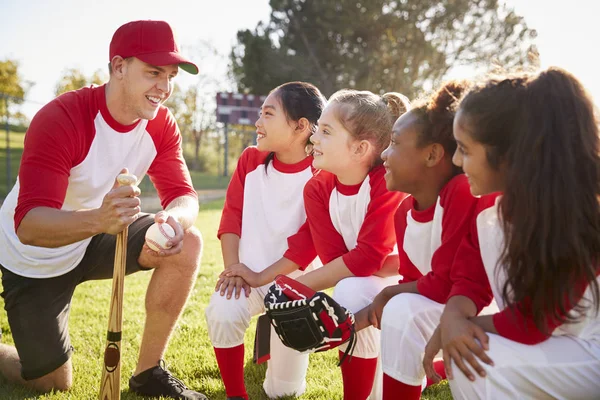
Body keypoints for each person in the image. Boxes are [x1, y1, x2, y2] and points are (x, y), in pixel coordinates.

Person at [0, 20, 207, 399]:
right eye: (153, 72)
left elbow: (184, 195)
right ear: (118, 67)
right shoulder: (61, 119)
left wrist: (173, 221)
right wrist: (100, 219)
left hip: (99, 234)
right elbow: (28, 224)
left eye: (171, 75)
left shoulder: (161, 124)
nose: (165, 86)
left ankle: (148, 374)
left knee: (188, 243)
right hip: (34, 254)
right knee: (51, 383)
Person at [423, 67, 600, 399]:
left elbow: (535, 322)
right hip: (555, 346)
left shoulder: (579, 216)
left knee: (480, 361)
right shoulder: (489, 209)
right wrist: (453, 315)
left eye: (465, 148)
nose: (457, 161)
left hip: (589, 352)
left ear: (507, 156)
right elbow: (469, 280)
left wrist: (459, 328)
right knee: (473, 352)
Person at [223, 89, 410, 400]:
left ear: (360, 148)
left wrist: (288, 288)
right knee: (352, 290)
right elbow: (339, 259)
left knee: (355, 292)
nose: (313, 139)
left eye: (325, 131)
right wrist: (366, 263)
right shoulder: (317, 189)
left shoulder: (386, 182)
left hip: (416, 284)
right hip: (367, 280)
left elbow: (364, 259)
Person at [349, 81, 494, 400]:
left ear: (432, 154)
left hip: (480, 307)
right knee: (400, 305)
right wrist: (364, 315)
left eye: (395, 143)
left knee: (401, 306)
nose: (384, 154)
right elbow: (417, 283)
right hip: (451, 306)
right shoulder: (403, 213)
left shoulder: (460, 193)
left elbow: (444, 283)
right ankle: (425, 374)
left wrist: (386, 295)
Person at [205, 81, 326, 400]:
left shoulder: (321, 173)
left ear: (301, 126)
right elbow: (231, 216)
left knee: (282, 393)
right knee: (223, 309)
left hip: (292, 287)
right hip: (248, 277)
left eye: (268, 114)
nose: (258, 123)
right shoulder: (250, 160)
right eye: (260, 114)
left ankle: (271, 335)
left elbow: (306, 244)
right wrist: (234, 270)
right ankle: (235, 394)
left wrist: (260, 276)